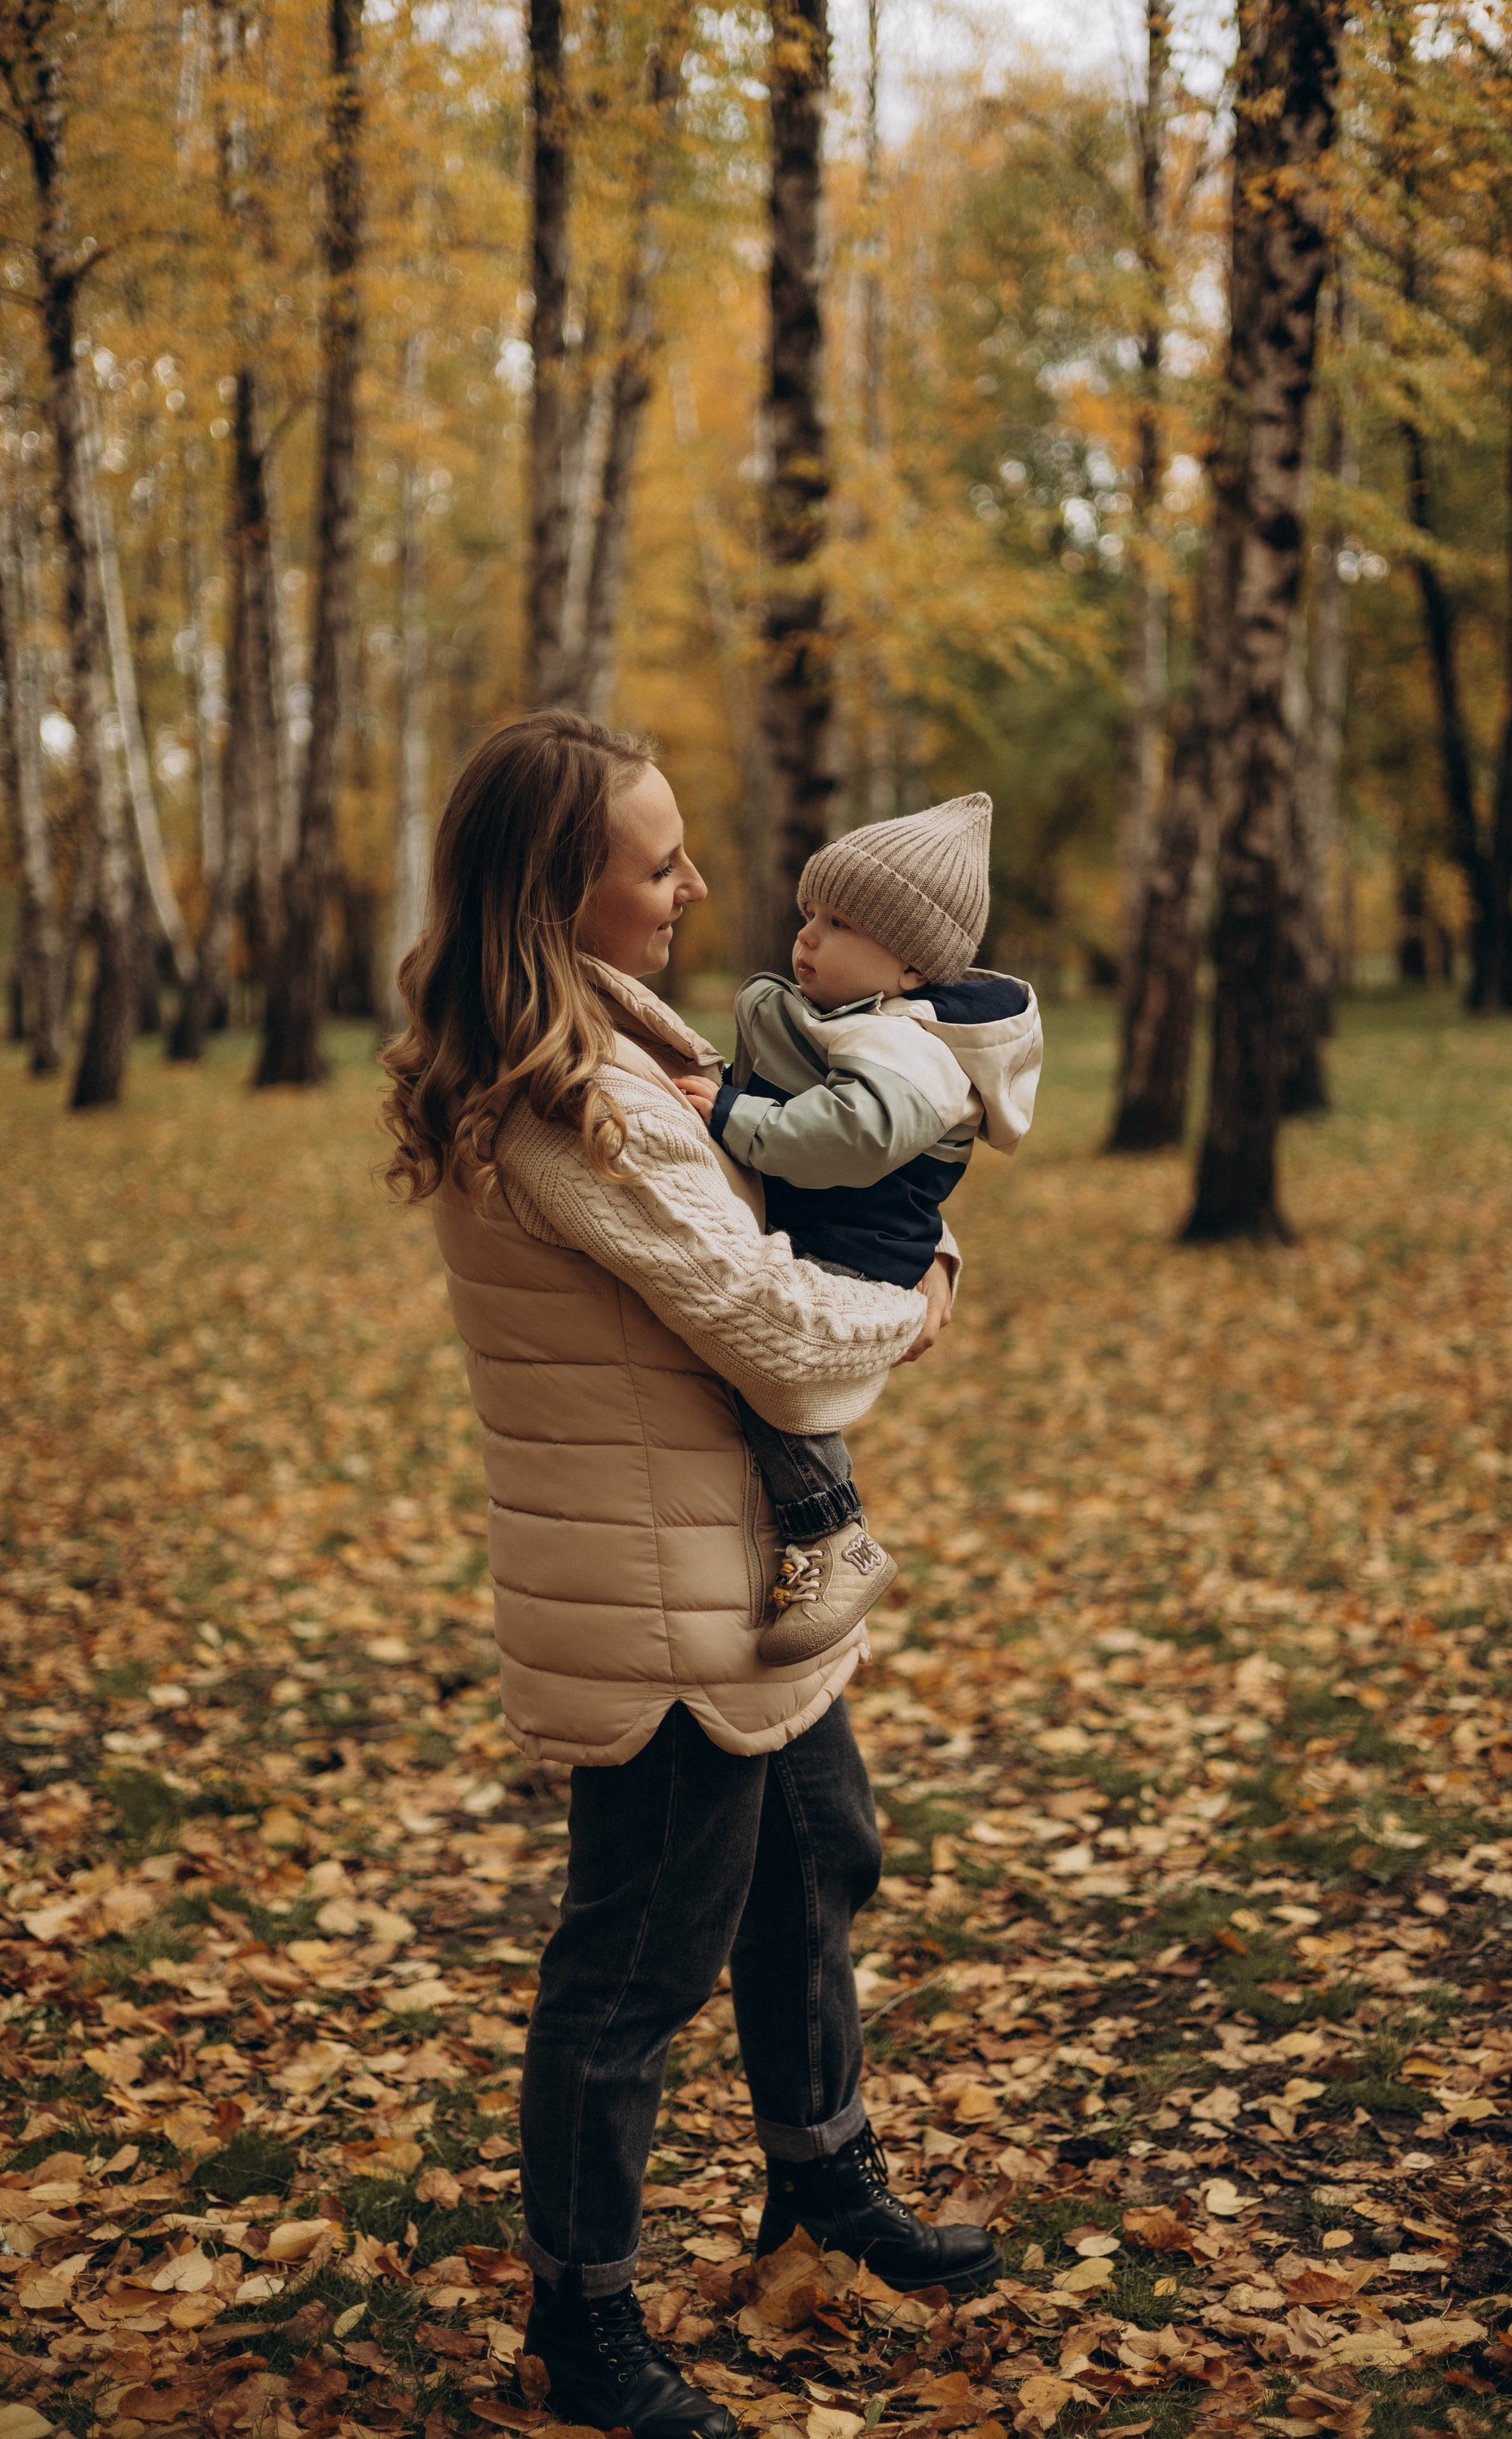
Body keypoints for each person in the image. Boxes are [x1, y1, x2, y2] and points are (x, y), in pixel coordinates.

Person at [381, 712, 1000, 2439]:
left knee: (817, 1866)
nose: (695, 886)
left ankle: (820, 2180)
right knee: (637, 1965)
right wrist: (922, 1305)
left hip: (740, 1563)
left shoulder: (620, 1032)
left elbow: (795, 1195)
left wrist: (916, 1215)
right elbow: (782, 1337)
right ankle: (584, 2323)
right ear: (560, 891)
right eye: (658, 863)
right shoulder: (570, 1094)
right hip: (661, 1593)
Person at [674, 795, 1042, 1667]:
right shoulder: (861, 1025)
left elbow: (856, 1136)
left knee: (771, 1377)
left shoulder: (905, 1046)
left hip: (855, 1252)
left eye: (839, 924)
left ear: (911, 968)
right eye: (809, 914)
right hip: (852, 1238)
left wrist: (736, 1117)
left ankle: (835, 1533)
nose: (807, 938)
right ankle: (824, 1535)